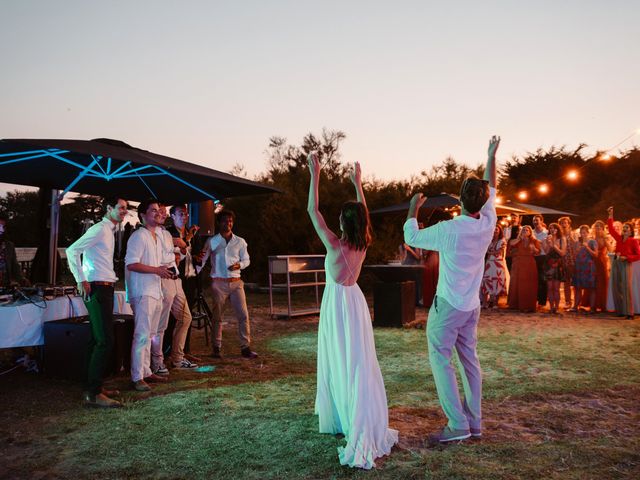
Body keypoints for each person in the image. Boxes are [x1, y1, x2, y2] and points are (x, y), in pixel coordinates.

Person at [404, 135, 499, 444]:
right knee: (470, 361)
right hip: (471, 306)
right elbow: (491, 186)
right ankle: (476, 422)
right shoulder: (488, 221)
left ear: (460, 200)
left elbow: (413, 238)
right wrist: (491, 156)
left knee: (440, 359)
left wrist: (412, 210)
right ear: (483, 203)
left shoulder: (449, 230)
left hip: (448, 307)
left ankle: (458, 425)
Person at [308, 154, 397, 469]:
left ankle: (349, 413)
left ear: (345, 223)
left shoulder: (335, 245)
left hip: (337, 305)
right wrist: (357, 183)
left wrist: (314, 173)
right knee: (355, 359)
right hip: (354, 303)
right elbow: (366, 216)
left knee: (340, 357)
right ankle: (349, 409)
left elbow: (312, 210)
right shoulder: (363, 242)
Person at [66, 197, 128, 408]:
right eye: (121, 208)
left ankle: (93, 387)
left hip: (104, 287)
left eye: (126, 209)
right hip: (97, 288)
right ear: (108, 208)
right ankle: (93, 393)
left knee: (96, 339)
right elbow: (72, 250)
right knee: (104, 341)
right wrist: (81, 279)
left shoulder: (108, 231)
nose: (124, 211)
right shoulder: (100, 229)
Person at [125, 199, 174, 391]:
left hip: (156, 292)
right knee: (142, 335)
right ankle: (136, 377)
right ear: (143, 215)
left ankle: (146, 372)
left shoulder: (156, 237)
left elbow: (160, 262)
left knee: (151, 334)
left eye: (158, 210)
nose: (158, 213)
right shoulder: (138, 236)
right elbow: (131, 264)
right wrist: (156, 270)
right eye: (152, 210)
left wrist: (166, 268)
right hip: (143, 292)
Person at [199, 209, 257, 359]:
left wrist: (239, 265)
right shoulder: (212, 241)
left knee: (243, 315)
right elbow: (202, 260)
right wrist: (193, 272)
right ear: (219, 223)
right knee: (217, 316)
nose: (228, 223)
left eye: (230, 221)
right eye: (225, 220)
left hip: (236, 282)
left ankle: (245, 347)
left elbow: (247, 260)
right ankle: (216, 348)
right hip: (219, 283)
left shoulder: (240, 241)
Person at [151, 205, 198, 373]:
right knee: (162, 323)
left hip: (176, 279)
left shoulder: (164, 233)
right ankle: (157, 361)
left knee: (186, 318)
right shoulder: (152, 234)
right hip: (164, 280)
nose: (161, 213)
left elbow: (176, 255)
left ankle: (177, 357)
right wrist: (174, 242)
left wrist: (179, 252)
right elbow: (157, 254)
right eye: (158, 211)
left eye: (163, 211)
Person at [166, 204, 202, 362]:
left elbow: (190, 253)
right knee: (174, 318)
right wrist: (187, 239)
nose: (185, 217)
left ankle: (184, 350)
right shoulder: (168, 233)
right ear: (172, 216)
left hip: (190, 277)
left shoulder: (189, 233)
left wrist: (196, 257)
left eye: (186, 214)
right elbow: (177, 251)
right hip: (175, 279)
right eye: (181, 214)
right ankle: (169, 351)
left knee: (187, 316)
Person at [607, 206, 640, 318]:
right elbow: (611, 230)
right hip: (616, 262)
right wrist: (611, 215)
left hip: (626, 263)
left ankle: (629, 312)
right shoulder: (619, 238)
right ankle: (620, 311)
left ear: (631, 231)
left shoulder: (633, 241)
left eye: (627, 227)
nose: (625, 228)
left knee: (626, 287)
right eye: (624, 227)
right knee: (616, 286)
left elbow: (638, 255)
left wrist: (627, 257)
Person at [507, 225, 539, 312]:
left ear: (530, 232)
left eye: (527, 230)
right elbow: (511, 244)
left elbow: (537, 252)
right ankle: (515, 304)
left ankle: (527, 305)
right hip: (518, 263)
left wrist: (534, 249)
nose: (525, 231)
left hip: (529, 263)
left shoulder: (534, 241)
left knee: (528, 284)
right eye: (524, 230)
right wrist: (519, 238)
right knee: (516, 283)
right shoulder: (517, 240)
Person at [481, 225, 509, 309]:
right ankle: (485, 302)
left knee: (497, 281)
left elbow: (499, 252)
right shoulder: (489, 240)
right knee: (486, 280)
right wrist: (492, 252)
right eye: (493, 230)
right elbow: (485, 250)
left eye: (496, 229)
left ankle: (495, 303)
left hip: (498, 263)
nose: (495, 231)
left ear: (500, 231)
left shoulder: (503, 241)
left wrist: (491, 252)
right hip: (489, 263)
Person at [542, 223, 567, 314]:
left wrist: (554, 245)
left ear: (558, 230)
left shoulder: (562, 239)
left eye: (555, 228)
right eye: (551, 228)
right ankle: (551, 307)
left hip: (558, 265)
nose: (553, 230)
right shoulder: (545, 240)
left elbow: (562, 253)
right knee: (549, 287)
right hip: (548, 265)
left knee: (556, 288)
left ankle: (557, 307)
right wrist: (549, 244)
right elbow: (546, 252)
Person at [572, 225, 597, 313]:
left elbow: (595, 254)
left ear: (588, 232)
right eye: (581, 233)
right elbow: (574, 256)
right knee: (577, 287)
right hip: (579, 266)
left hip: (589, 266)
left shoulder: (592, 242)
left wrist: (587, 247)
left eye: (584, 232)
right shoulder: (577, 242)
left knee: (591, 287)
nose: (582, 234)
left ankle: (592, 308)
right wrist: (578, 248)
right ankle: (575, 306)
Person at [0, 214, 29, 287]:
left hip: (6, 285)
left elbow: (15, 265)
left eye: (3, 227)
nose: (2, 230)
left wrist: (22, 279)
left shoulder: (9, 246)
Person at [558, 217, 578, 309]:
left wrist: (573, 239)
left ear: (569, 224)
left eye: (565, 223)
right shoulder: (559, 235)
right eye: (561, 223)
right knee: (566, 282)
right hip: (564, 261)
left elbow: (578, 245)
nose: (563, 224)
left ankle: (576, 302)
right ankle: (568, 301)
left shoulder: (574, 233)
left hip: (574, 260)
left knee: (576, 282)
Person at [591, 220, 610, 312]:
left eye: (600, 227)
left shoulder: (605, 238)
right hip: (592, 261)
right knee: (593, 282)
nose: (598, 228)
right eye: (596, 226)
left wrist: (606, 240)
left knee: (601, 282)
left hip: (601, 262)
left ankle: (602, 305)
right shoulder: (592, 238)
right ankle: (593, 305)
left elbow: (610, 249)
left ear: (603, 228)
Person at [532, 215, 548, 308]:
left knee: (542, 279)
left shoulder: (546, 233)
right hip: (533, 257)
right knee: (534, 279)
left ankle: (542, 301)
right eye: (534, 220)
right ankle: (535, 299)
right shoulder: (531, 232)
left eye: (537, 220)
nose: (535, 222)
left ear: (542, 221)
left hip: (543, 257)